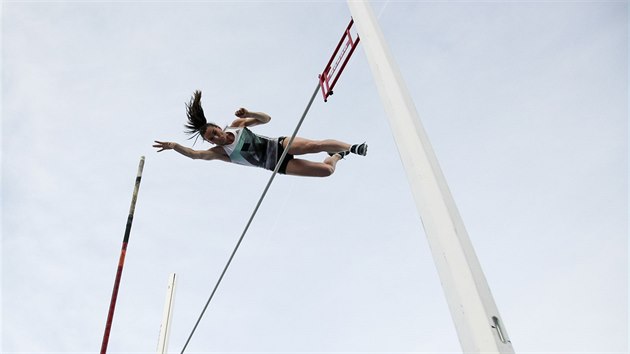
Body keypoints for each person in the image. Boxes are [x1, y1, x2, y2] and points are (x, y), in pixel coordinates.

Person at [153, 90, 367, 177]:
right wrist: (175, 147)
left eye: (214, 132)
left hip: (279, 145)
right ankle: (337, 156)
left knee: (314, 146)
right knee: (326, 171)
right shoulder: (220, 152)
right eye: (211, 138)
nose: (216, 138)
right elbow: (195, 155)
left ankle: (351, 147)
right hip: (276, 164)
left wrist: (249, 113)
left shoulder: (237, 125)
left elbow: (266, 119)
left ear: (218, 127)